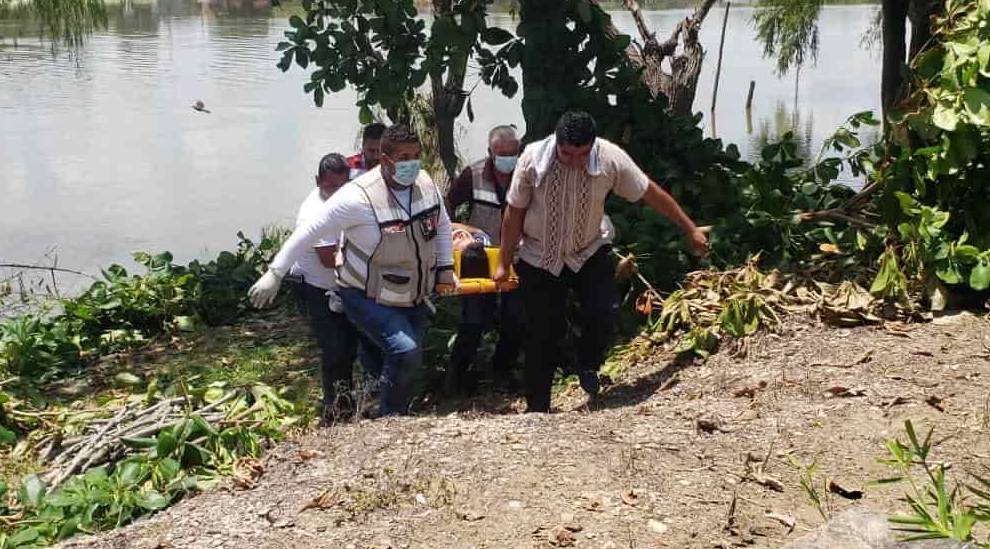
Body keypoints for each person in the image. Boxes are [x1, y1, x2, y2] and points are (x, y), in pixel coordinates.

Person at [494, 110, 707, 413]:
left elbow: (650, 193)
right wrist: (504, 261)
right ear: (557, 143)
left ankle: (587, 364)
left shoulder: (610, 158)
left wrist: (690, 228)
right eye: (568, 154)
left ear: (592, 146)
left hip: (588, 249)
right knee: (541, 333)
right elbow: (514, 212)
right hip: (539, 255)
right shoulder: (531, 160)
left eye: (583, 154)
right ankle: (538, 410)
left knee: (604, 311)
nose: (576, 161)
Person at [250, 124, 456, 418]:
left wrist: (445, 266)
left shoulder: (425, 183)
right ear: (385, 160)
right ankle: (389, 418)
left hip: (412, 293)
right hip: (364, 294)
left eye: (415, 155)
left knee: (408, 360)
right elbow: (308, 231)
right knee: (405, 351)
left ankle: (385, 411)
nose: (412, 163)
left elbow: (443, 225)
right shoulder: (357, 198)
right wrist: (275, 273)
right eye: (403, 157)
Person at [288, 153, 380, 421]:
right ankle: (335, 411)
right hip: (316, 289)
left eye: (341, 187)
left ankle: (350, 403)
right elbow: (330, 260)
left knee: (352, 347)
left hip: (343, 286)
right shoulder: (314, 212)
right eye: (330, 188)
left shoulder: (349, 200)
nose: (336, 193)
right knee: (334, 351)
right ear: (318, 181)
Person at [441, 124, 525, 394]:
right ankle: (456, 377)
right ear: (490, 152)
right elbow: (448, 205)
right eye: (501, 153)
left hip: (517, 257)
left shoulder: (529, 174)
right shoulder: (473, 174)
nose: (507, 158)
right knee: (473, 321)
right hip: (479, 261)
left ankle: (501, 371)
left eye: (513, 152)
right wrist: (460, 235)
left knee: (515, 319)